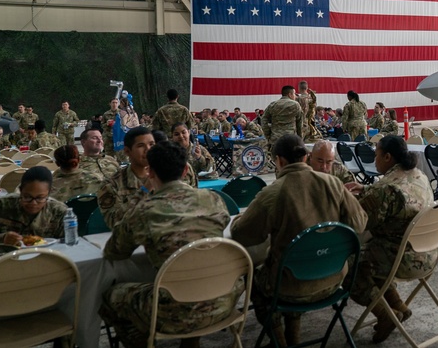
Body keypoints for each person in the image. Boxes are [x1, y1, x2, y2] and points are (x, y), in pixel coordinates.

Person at [232, 134, 367, 346]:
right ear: (306, 157)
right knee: (292, 266)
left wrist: (240, 218)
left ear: (279, 161)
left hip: (290, 287)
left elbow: (243, 234)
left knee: (256, 279)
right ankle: (292, 337)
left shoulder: (272, 193)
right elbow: (359, 223)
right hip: (334, 280)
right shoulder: (333, 183)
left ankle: (281, 342)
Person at [100, 141, 237, 348]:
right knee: (192, 280)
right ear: (184, 170)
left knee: (110, 296)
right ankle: (191, 343)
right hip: (222, 302)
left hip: (173, 312)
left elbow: (114, 252)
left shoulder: (145, 210)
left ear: (150, 172)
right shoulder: (213, 200)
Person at [343, 135, 435, 343]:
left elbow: (360, 222)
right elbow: (400, 198)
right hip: (429, 254)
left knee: (348, 266)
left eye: (376, 155)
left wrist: (345, 199)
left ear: (387, 157)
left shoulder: (386, 188)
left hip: (403, 259)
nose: (374, 160)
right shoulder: (418, 175)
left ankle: (386, 316)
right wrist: (367, 189)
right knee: (373, 255)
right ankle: (399, 308)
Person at [97, 126, 198, 228]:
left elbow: (193, 206)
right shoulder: (112, 185)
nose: (148, 149)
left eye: (151, 144)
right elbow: (114, 222)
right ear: (127, 151)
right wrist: (145, 189)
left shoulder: (173, 172)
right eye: (141, 146)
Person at [0, 166, 67, 261]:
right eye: (27, 197)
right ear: (20, 190)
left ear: (49, 193)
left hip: (45, 263)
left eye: (40, 198)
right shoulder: (0, 206)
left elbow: (68, 246)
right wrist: (2, 239)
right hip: (4, 263)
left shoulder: (59, 212)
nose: (33, 203)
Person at [262, 86, 305, 161]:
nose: (295, 96)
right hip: (291, 140)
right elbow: (299, 124)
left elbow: (264, 119)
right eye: (294, 94)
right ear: (290, 94)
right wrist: (299, 139)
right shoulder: (296, 105)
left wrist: (268, 134)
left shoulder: (273, 105)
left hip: (275, 139)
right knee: (291, 162)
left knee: (278, 163)